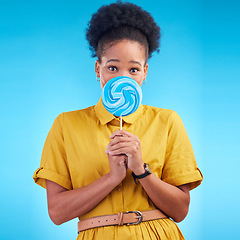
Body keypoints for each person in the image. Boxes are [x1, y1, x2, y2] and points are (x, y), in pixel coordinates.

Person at [33, 1, 203, 240]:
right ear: (97, 69)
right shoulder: (65, 125)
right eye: (112, 67)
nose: (123, 77)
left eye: (133, 70)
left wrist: (141, 170)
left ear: (145, 72)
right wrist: (112, 178)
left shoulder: (167, 122)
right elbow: (57, 212)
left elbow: (181, 209)